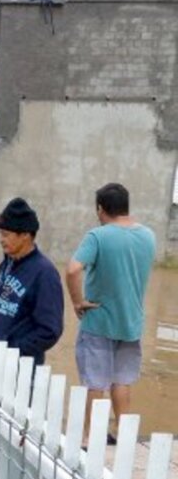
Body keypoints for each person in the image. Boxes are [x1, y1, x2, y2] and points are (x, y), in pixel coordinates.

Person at [66, 183, 156, 434]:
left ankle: (89, 437)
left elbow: (73, 269)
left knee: (96, 383)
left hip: (99, 322)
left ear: (100, 208)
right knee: (122, 380)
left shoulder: (98, 236)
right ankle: (124, 435)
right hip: (131, 323)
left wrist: (77, 301)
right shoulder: (148, 235)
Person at [0, 198, 64, 366]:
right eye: (0, 234)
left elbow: (49, 330)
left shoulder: (44, 273)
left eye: (6, 235)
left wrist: (13, 350)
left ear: (25, 235)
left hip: (19, 371)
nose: (0, 239)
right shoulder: (5, 265)